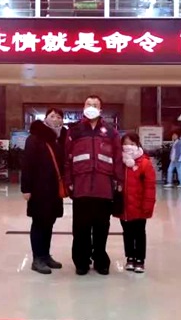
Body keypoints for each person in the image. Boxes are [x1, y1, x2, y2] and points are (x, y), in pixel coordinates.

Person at [64, 95, 124, 276]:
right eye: (88, 104)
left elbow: (118, 159)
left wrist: (119, 181)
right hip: (81, 186)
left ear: (101, 109)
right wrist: (68, 181)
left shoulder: (111, 132)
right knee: (80, 228)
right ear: (83, 107)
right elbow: (67, 159)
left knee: (101, 227)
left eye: (95, 104)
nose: (91, 107)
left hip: (104, 187)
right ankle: (81, 261)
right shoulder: (74, 131)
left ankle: (100, 260)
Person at [21, 108, 67, 274]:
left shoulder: (59, 139)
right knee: (39, 222)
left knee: (49, 222)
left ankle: (46, 255)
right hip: (39, 189)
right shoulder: (35, 138)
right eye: (52, 116)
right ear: (45, 118)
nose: (55, 119)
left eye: (59, 117)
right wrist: (26, 188)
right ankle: (37, 258)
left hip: (54, 189)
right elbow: (27, 164)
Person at [117, 132, 156, 273]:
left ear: (138, 144)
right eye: (125, 144)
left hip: (139, 206)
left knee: (139, 233)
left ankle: (140, 259)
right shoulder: (119, 163)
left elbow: (150, 187)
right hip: (124, 207)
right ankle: (130, 257)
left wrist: (148, 205)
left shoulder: (144, 163)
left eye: (132, 144)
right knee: (127, 233)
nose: (128, 147)